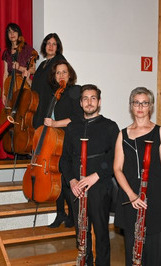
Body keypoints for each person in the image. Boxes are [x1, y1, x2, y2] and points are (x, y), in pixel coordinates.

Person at [60, 84, 119, 265]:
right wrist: (72, 181)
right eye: (85, 98)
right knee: (82, 233)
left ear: (99, 102)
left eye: (93, 98)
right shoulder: (72, 127)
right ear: (80, 102)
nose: (89, 102)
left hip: (99, 186)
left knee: (101, 232)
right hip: (77, 186)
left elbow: (115, 157)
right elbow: (65, 159)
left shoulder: (110, 126)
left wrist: (95, 176)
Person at [114, 87, 161, 266]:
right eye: (136, 103)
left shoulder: (159, 132)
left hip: (155, 195)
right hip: (130, 196)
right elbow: (117, 169)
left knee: (155, 246)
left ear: (151, 106)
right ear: (131, 106)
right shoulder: (122, 135)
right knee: (133, 248)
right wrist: (132, 195)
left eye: (144, 103)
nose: (140, 106)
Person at [47, 60, 83, 228]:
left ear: (70, 75)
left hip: (71, 139)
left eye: (64, 72)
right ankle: (61, 213)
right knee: (58, 177)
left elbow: (77, 117)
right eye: (58, 73)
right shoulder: (56, 94)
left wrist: (55, 124)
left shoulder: (75, 91)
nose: (61, 75)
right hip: (58, 141)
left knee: (67, 178)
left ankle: (72, 215)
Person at [30, 33, 66, 128]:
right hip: (39, 105)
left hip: (49, 104)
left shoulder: (59, 60)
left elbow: (63, 80)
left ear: (57, 47)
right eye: (48, 43)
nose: (51, 46)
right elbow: (36, 85)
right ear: (44, 46)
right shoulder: (42, 64)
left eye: (54, 44)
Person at [1, 23, 36, 105]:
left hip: (24, 85)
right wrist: (4, 93)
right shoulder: (7, 53)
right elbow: (5, 73)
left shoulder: (28, 50)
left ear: (18, 33)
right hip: (11, 88)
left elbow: (33, 70)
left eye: (14, 31)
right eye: (9, 32)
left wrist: (19, 67)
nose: (12, 34)